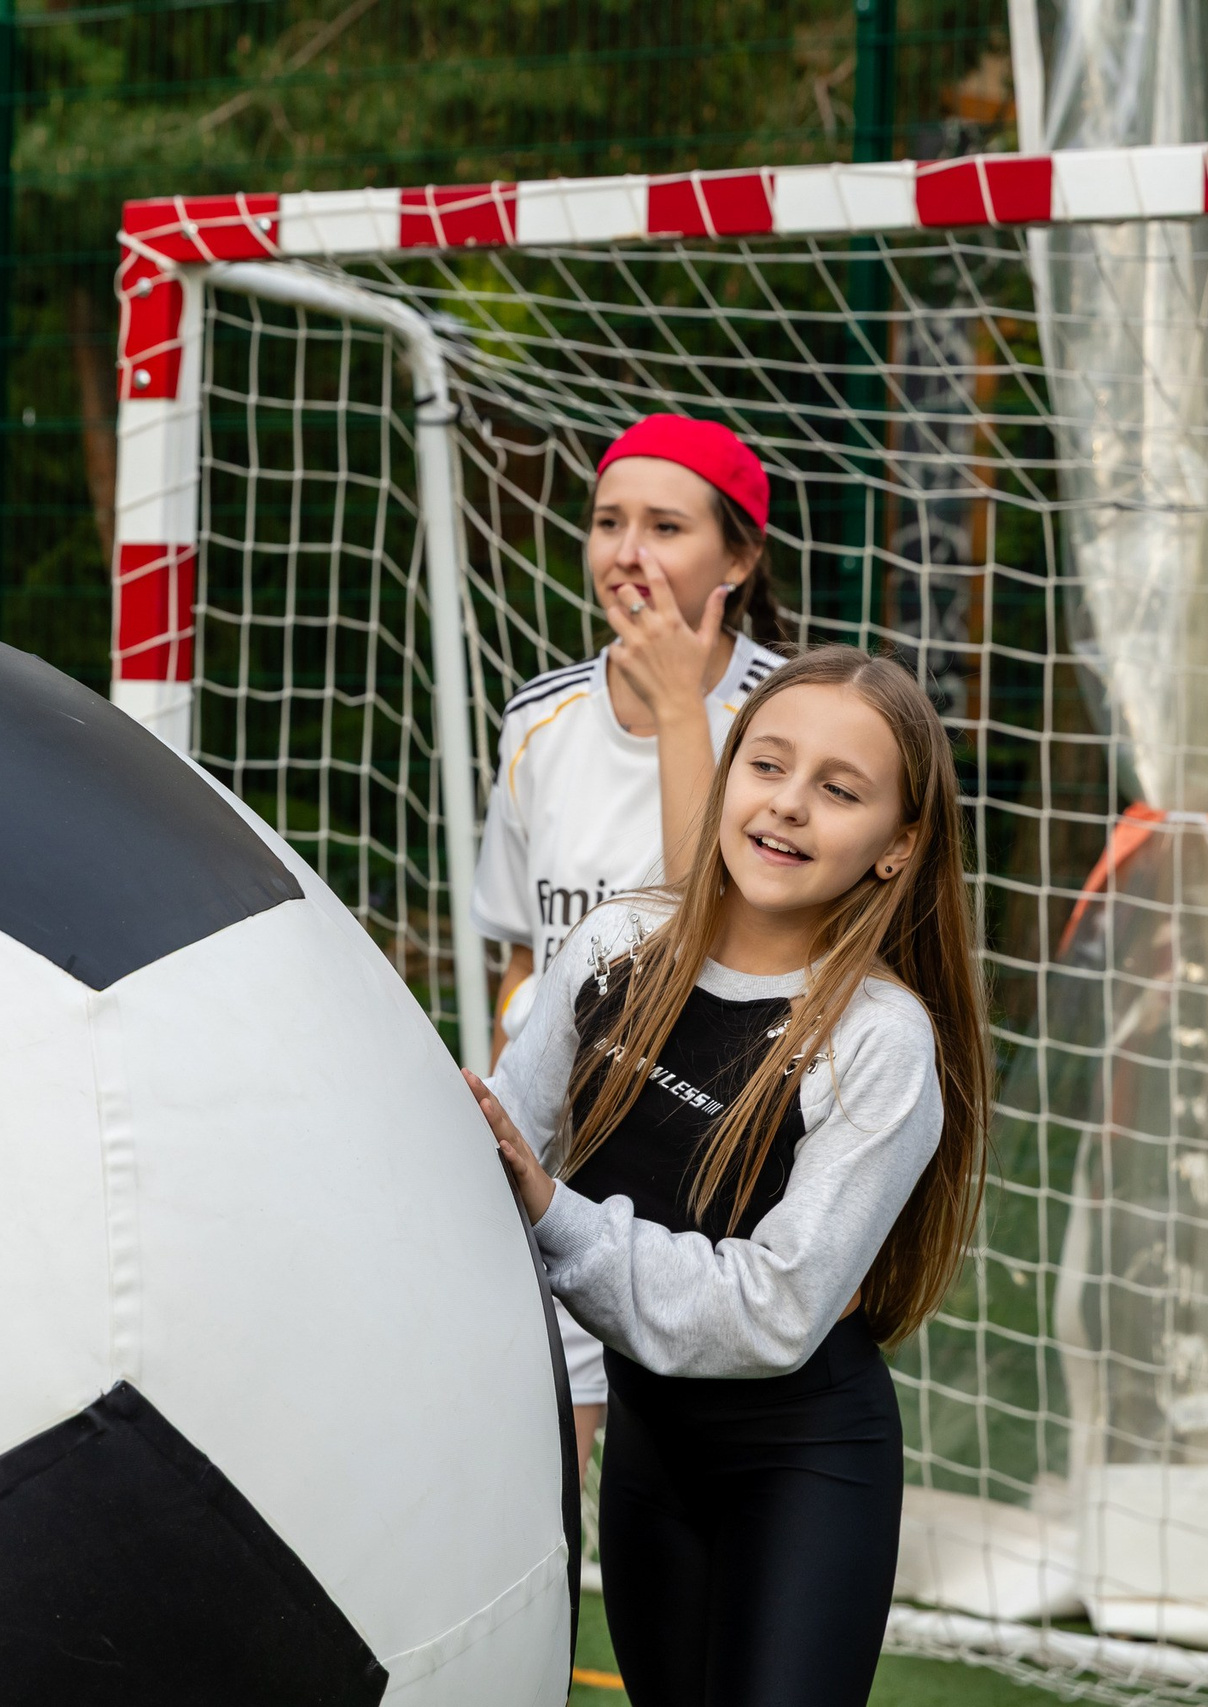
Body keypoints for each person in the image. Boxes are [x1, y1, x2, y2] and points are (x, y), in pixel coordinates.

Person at [467, 646, 987, 1707]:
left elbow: (772, 1310)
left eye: (839, 791)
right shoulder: (615, 947)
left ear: (897, 846)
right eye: (767, 764)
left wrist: (552, 1214)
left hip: (803, 1469)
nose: (789, 806)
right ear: (725, 776)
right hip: (648, 1459)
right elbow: (493, 1162)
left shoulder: (878, 1040)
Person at [473, 413, 789, 1479]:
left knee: (683, 1505)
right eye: (608, 523)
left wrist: (676, 704)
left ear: (737, 559)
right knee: (532, 1481)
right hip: (554, 1155)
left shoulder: (792, 721)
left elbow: (717, 911)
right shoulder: (538, 720)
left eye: (665, 525)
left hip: (706, 1170)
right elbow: (518, 952)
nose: (627, 553)